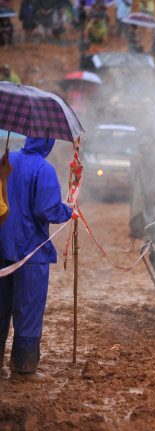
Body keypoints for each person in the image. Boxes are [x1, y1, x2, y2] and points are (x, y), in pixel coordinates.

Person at [0, 137, 72, 380]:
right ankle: (23, 368)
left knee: (0, 309)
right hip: (30, 252)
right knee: (28, 310)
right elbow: (48, 209)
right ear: (48, 141)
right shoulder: (44, 168)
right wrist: (68, 210)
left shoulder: (5, 160)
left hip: (2, 248)